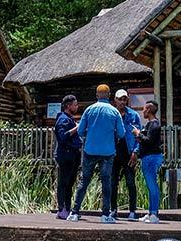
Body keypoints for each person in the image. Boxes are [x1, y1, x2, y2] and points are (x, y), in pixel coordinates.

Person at [69, 84, 125, 223]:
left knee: (84, 181)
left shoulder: (89, 110)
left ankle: (74, 212)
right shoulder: (114, 112)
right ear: (110, 95)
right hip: (107, 152)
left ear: (96, 95)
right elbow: (122, 133)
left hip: (90, 150)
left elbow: (81, 131)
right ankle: (105, 215)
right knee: (106, 182)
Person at [110, 89, 142, 221]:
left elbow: (139, 135)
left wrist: (136, 152)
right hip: (113, 153)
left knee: (130, 183)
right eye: (120, 99)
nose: (123, 102)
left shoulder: (133, 115)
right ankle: (113, 210)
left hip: (128, 153)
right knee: (112, 183)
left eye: (125, 99)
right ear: (115, 100)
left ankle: (133, 211)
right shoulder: (111, 114)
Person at [133, 100, 164, 223]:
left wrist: (138, 133)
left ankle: (154, 214)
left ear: (149, 110)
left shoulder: (154, 125)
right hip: (148, 157)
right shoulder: (150, 125)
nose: (143, 111)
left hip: (152, 158)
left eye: (144, 109)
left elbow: (149, 140)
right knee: (150, 186)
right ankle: (151, 212)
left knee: (152, 186)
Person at [53, 94, 81, 220]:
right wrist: (77, 128)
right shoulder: (63, 119)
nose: (77, 107)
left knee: (70, 183)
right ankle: (61, 209)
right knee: (63, 182)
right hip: (65, 155)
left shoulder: (69, 118)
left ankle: (68, 208)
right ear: (68, 106)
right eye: (75, 104)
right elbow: (62, 137)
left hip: (73, 154)